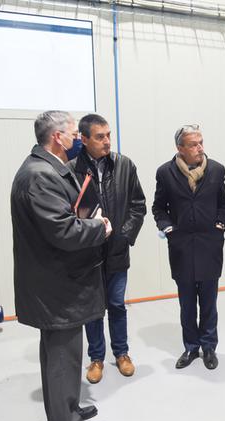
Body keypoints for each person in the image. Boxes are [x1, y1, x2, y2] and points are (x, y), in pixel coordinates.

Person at [10, 110, 111, 421]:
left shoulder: (46, 169)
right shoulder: (41, 176)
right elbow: (63, 231)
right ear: (57, 137)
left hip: (58, 281)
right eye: (73, 134)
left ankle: (67, 406)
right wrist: (99, 227)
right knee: (61, 355)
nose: (77, 139)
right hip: (56, 285)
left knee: (63, 352)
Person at [70, 114, 146, 384]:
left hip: (117, 251)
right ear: (84, 139)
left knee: (116, 305)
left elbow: (138, 205)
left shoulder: (125, 165)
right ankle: (96, 358)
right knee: (93, 309)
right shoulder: (70, 170)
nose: (107, 141)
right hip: (87, 254)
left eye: (108, 135)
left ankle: (122, 354)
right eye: (100, 137)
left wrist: (124, 237)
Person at [152, 124, 225, 370]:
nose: (200, 148)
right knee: (186, 304)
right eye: (194, 144)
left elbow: (224, 203)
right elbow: (158, 207)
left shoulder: (217, 170)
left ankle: (209, 347)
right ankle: (190, 347)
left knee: (208, 302)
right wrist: (168, 228)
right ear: (180, 148)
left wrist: (220, 225)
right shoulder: (165, 172)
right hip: (181, 248)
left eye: (201, 142)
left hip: (210, 246)